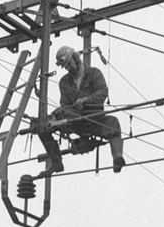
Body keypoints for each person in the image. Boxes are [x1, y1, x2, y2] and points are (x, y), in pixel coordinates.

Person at [39, 45, 126, 173]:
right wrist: (59, 115)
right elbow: (65, 105)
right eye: (66, 67)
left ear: (76, 58)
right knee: (42, 125)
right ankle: (56, 162)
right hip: (75, 121)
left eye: (69, 64)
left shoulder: (94, 73)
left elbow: (103, 92)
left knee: (113, 123)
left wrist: (86, 101)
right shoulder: (64, 82)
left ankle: (117, 158)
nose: (68, 69)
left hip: (94, 119)